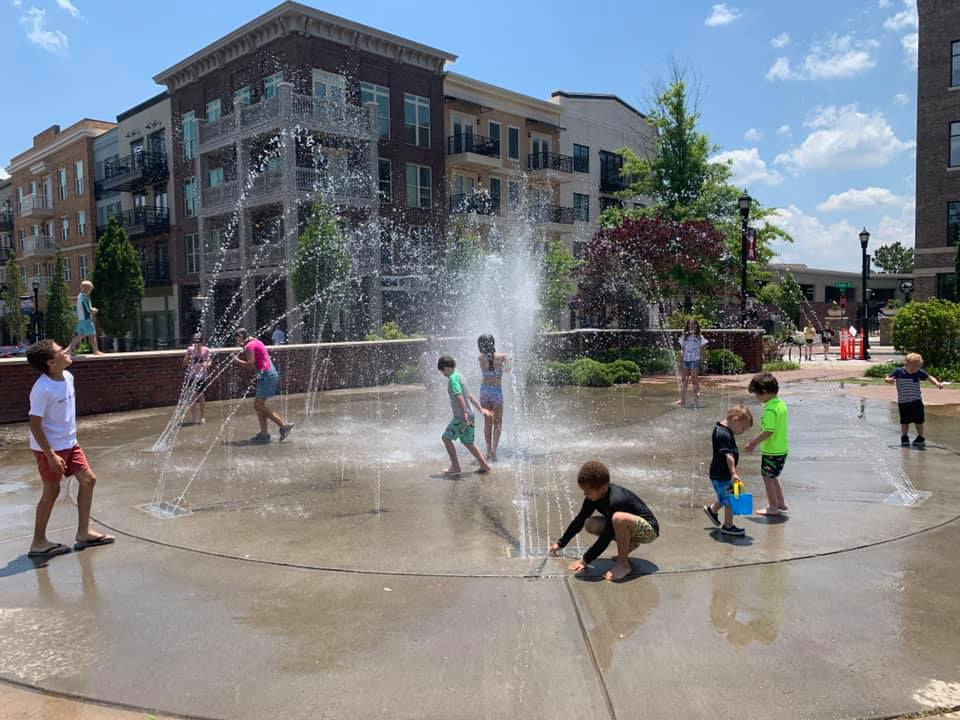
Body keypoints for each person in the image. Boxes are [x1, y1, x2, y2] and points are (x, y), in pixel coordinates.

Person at [25, 339, 115, 558]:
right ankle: (38, 543)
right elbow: (35, 425)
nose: (66, 351)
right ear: (50, 363)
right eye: (60, 351)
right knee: (52, 491)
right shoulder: (42, 389)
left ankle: (84, 533)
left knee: (88, 480)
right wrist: (51, 455)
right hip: (49, 448)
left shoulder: (68, 376)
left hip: (70, 443)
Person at [549, 460, 659, 582]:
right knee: (589, 523)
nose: (585, 494)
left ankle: (623, 564)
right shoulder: (593, 498)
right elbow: (579, 520)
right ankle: (630, 544)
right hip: (631, 528)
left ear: (603, 488)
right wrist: (560, 543)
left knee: (618, 518)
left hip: (649, 531)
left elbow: (607, 536)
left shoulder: (616, 500)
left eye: (588, 492)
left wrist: (585, 560)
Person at [233, 328, 294, 444]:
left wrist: (237, 361)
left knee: (259, 405)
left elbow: (250, 364)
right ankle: (264, 434)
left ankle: (283, 425)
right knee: (259, 405)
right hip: (267, 374)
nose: (236, 341)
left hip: (267, 375)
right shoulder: (256, 342)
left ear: (241, 337)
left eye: (237, 338)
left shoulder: (249, 346)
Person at [703, 405, 754, 537]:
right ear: (735, 420)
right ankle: (728, 526)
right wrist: (733, 473)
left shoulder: (724, 429)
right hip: (722, 474)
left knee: (725, 496)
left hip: (721, 473)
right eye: (743, 428)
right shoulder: (723, 434)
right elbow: (728, 456)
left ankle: (712, 510)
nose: (742, 432)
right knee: (730, 500)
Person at [437, 355, 492, 475]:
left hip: (461, 417)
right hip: (470, 414)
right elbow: (469, 395)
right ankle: (484, 465)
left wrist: (464, 414)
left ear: (446, 368)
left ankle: (455, 466)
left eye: (442, 372)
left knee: (446, 438)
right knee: (468, 442)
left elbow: (459, 396)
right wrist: (480, 409)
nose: (443, 375)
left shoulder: (453, 378)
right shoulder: (460, 375)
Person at [744, 372, 789, 517]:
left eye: (757, 395)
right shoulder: (780, 404)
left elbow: (769, 431)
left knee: (767, 478)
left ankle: (772, 507)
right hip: (781, 449)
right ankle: (781, 502)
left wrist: (753, 443)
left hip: (772, 450)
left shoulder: (770, 409)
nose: (757, 399)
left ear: (764, 392)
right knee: (773, 476)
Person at [884, 352, 943, 447]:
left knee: (919, 420)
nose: (914, 370)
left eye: (916, 368)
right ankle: (904, 437)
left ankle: (920, 437)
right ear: (906, 364)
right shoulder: (899, 371)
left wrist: (937, 384)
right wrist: (888, 380)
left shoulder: (918, 372)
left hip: (916, 401)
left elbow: (929, 377)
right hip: (903, 402)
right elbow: (887, 378)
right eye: (912, 368)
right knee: (904, 421)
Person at [477, 334, 509, 462]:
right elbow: (507, 370)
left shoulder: (480, 358)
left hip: (484, 392)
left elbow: (488, 360)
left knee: (487, 423)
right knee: (498, 422)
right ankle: (495, 450)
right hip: (496, 392)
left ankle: (488, 451)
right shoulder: (503, 357)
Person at [676, 319, 708, 408]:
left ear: (697, 326)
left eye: (693, 325)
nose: (692, 327)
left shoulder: (699, 337)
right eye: (690, 325)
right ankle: (682, 399)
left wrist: (704, 361)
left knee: (694, 379)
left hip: (695, 360)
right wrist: (680, 360)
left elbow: (702, 350)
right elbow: (682, 349)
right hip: (686, 360)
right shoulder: (684, 337)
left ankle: (696, 400)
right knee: (684, 380)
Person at [66, 280, 103, 356]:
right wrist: (94, 310)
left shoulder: (79, 296)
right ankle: (96, 351)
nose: (90, 291)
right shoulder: (85, 298)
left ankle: (68, 350)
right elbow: (88, 309)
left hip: (81, 320)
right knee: (92, 335)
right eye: (90, 290)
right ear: (87, 289)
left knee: (79, 336)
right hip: (86, 320)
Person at [182, 333, 211, 425]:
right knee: (192, 396)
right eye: (194, 341)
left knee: (201, 395)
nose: (196, 343)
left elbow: (209, 361)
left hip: (202, 376)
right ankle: (194, 418)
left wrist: (206, 365)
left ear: (202, 342)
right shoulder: (190, 350)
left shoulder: (206, 350)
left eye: (198, 342)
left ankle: (202, 416)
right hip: (192, 376)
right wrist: (188, 358)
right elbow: (184, 363)